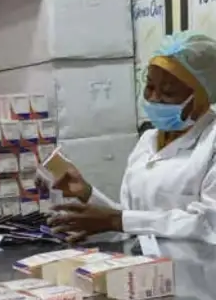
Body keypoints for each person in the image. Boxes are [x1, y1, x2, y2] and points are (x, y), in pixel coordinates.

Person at [49, 31, 216, 245]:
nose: (154, 99)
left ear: (202, 97)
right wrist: (87, 194)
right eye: (150, 87)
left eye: (168, 92)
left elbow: (209, 225)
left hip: (198, 275)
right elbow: (129, 223)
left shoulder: (211, 143)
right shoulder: (148, 140)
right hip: (146, 272)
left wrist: (116, 220)